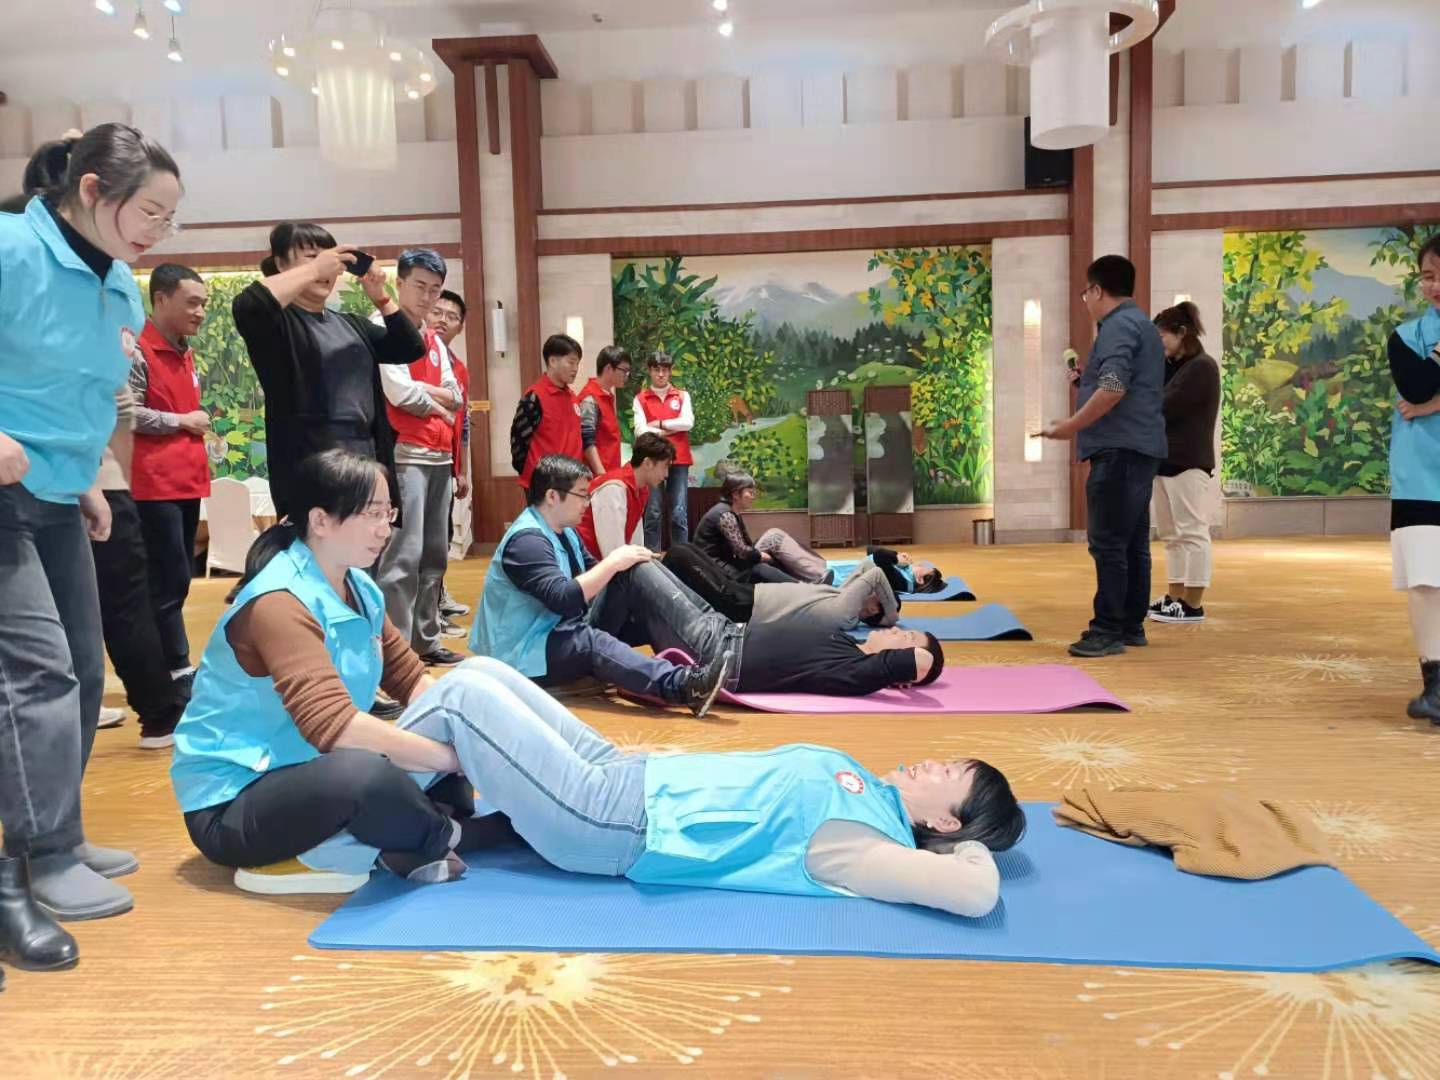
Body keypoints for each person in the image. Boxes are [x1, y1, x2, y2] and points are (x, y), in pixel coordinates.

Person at [362, 656, 1024, 917]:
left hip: (611, 822)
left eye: (948, 776)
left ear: (944, 822)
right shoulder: (868, 792)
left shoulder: (864, 845)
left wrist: (972, 842)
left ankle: (348, 813)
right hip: (625, 774)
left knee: (468, 700)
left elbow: (973, 893)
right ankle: (408, 812)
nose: (932, 763)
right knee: (481, 671)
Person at [171, 451, 521, 896]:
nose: (384, 528)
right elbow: (334, 727)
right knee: (366, 774)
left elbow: (412, 680)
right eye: (371, 513)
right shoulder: (280, 601)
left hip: (306, 771)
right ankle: (447, 835)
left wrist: (460, 733)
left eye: (387, 512)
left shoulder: (360, 588)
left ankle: (401, 834)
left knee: (444, 725)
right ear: (320, 520)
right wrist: (453, 757)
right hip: (233, 804)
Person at [0, 123, 183, 945]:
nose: (158, 232)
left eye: (170, 218)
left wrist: (88, 482)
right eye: (150, 212)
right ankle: (34, 856)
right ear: (90, 192)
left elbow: (82, 396)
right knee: (35, 675)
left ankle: (61, 832)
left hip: (57, 492)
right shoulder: (11, 248)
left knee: (80, 666)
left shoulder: (116, 283)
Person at [469, 454, 733, 716]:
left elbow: (600, 576)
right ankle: (684, 687)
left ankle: (710, 635)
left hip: (556, 628)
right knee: (590, 642)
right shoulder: (527, 541)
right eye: (582, 495)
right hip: (522, 653)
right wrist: (614, 561)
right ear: (552, 496)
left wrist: (634, 579)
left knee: (635, 580)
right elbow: (562, 598)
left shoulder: (565, 531)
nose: (587, 503)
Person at [232, 222, 425, 523]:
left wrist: (382, 298)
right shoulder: (277, 323)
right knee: (320, 545)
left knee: (368, 543)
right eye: (312, 256)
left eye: (330, 258)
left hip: (365, 458)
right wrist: (315, 269)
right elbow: (249, 305)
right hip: (313, 464)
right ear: (281, 264)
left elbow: (410, 347)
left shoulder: (351, 323)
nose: (326, 266)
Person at [1040, 255, 1167, 659]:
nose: (1085, 301)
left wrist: (1071, 425)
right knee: (1132, 543)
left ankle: (1107, 629)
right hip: (1139, 448)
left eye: (1086, 293)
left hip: (1119, 450)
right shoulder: (1142, 325)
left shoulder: (1116, 326)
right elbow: (1121, 381)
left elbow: (1113, 387)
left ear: (1097, 290)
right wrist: (1085, 381)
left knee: (1109, 543)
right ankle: (1129, 625)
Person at [631, 554, 936, 698]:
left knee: (637, 567)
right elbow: (869, 568)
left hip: (718, 649)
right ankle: (603, 648)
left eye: (906, 637)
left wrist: (902, 674)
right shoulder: (849, 644)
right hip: (723, 628)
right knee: (645, 564)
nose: (896, 630)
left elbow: (924, 660)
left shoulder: (856, 670)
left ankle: (599, 653)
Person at [373, 249, 467, 668]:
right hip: (404, 455)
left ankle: (426, 641)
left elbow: (456, 395)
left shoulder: (433, 340)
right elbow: (399, 394)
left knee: (435, 554)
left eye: (435, 290)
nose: (427, 298)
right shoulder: (382, 328)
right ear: (399, 284)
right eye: (420, 287)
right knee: (402, 555)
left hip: (440, 456)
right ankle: (396, 652)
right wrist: (439, 404)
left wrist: (432, 396)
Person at [92, 379, 188, 750]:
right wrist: (115, 477)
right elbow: (121, 407)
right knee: (126, 605)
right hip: (93, 482)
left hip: (45, 482)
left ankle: (78, 702)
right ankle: (159, 713)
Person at [131, 262, 211, 684]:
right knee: (167, 578)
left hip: (186, 480)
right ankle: (174, 667)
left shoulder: (184, 350)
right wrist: (181, 421)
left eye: (204, 304)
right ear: (160, 299)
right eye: (192, 303)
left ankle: (169, 665)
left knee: (179, 578)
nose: (200, 313)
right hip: (152, 484)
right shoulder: (137, 350)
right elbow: (126, 412)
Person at [1389, 235, 1440, 723]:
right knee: (1427, 579)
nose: (1435, 285)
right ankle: (1436, 686)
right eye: (1428, 276)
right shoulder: (1405, 336)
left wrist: (1433, 405)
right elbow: (1417, 386)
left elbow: (1426, 398)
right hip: (1420, 477)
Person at [1147, 301, 1220, 625]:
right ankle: (1175, 596)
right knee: (1170, 535)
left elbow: (1162, 405)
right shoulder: (1172, 366)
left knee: (1192, 532)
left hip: (1188, 463)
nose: (1159, 345)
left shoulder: (1201, 367)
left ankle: (1193, 604)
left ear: (1181, 333)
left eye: (1162, 338)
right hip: (1164, 462)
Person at [426, 288, 472, 636]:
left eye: (452, 316)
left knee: (439, 538)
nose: (443, 320)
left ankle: (436, 602)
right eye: (438, 312)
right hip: (415, 456)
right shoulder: (415, 352)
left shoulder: (459, 369)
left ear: (460, 326)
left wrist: (463, 470)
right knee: (418, 544)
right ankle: (426, 615)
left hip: (445, 460)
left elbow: (463, 423)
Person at [576, 433, 674, 559]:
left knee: (677, 555)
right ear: (648, 463)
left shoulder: (641, 488)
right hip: (594, 564)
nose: (666, 474)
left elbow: (635, 541)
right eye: (665, 467)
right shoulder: (614, 487)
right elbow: (612, 553)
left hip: (617, 560)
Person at [694, 472, 803, 584]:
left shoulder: (731, 512)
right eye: (750, 493)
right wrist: (760, 555)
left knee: (771, 554)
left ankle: (799, 582)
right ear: (736, 494)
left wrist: (763, 555)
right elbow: (741, 551)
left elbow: (745, 546)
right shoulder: (725, 515)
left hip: (725, 561)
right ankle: (799, 586)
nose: (753, 497)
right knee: (760, 569)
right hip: (714, 567)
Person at [634, 351, 695, 550]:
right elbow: (640, 431)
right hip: (652, 461)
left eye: (665, 370)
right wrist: (670, 430)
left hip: (679, 460)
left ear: (670, 371)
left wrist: (660, 424)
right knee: (652, 512)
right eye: (656, 370)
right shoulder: (640, 398)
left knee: (679, 512)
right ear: (649, 371)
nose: (660, 374)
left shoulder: (682, 396)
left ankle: (682, 558)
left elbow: (688, 422)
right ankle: (652, 558)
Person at [511, 333, 584, 488]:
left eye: (577, 363)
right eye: (571, 362)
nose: (575, 369)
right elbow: (518, 442)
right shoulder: (534, 397)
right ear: (552, 361)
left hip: (572, 482)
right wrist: (533, 475)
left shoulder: (573, 397)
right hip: (544, 485)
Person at [578, 345, 630, 477]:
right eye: (624, 370)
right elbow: (587, 440)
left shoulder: (607, 396)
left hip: (610, 473)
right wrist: (602, 475)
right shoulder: (590, 398)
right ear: (608, 368)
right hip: (597, 477)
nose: (626, 375)